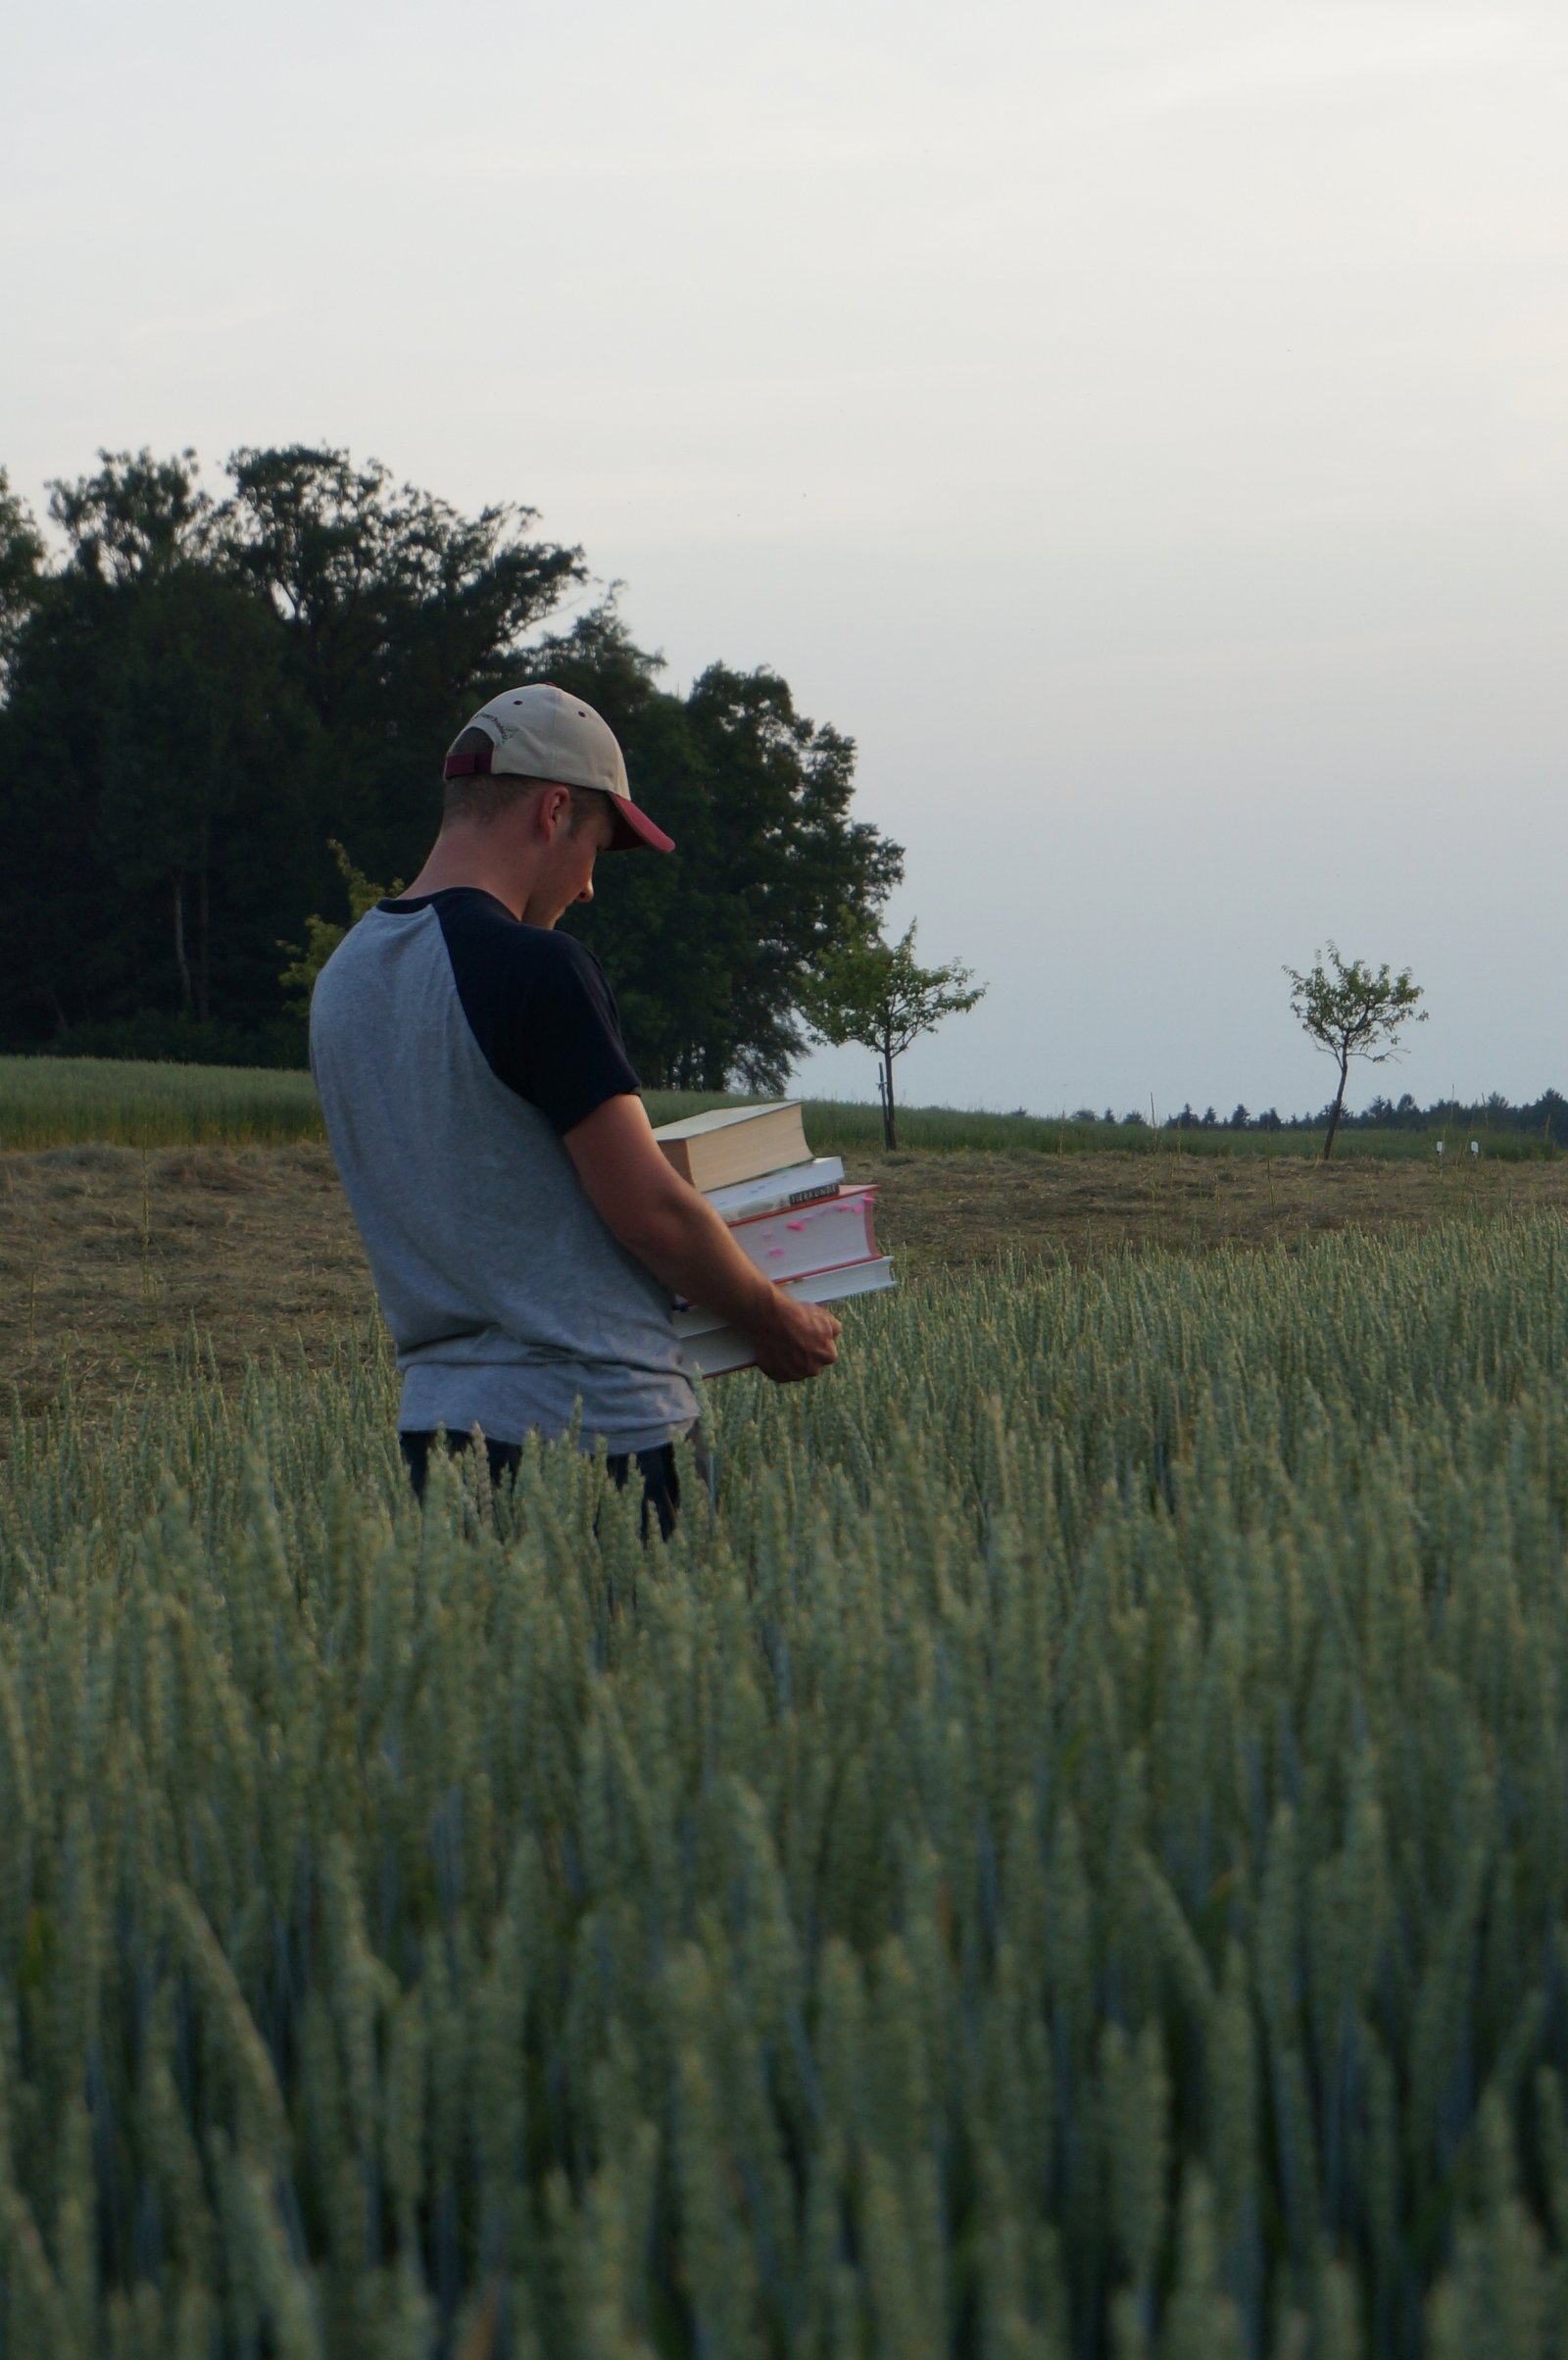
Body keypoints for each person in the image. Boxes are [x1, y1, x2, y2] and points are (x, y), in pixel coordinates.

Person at [309, 681, 841, 1533]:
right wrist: (773, 1318)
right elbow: (650, 1214)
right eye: (595, 845)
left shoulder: (344, 982)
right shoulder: (538, 969)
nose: (590, 887)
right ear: (553, 810)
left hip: (436, 1435)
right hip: (600, 1430)